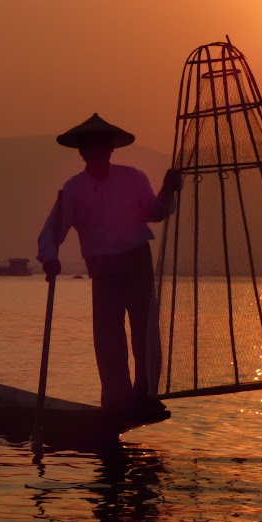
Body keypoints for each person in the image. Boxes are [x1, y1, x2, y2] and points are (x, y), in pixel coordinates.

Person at [37, 113, 179, 423]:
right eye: (89, 148)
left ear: (110, 150)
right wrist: (49, 258)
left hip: (136, 261)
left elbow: (154, 212)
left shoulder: (133, 178)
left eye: (101, 147)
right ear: (82, 153)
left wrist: (168, 190)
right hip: (101, 268)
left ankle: (146, 396)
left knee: (144, 332)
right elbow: (51, 231)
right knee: (108, 337)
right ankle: (117, 400)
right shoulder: (73, 189)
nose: (96, 153)